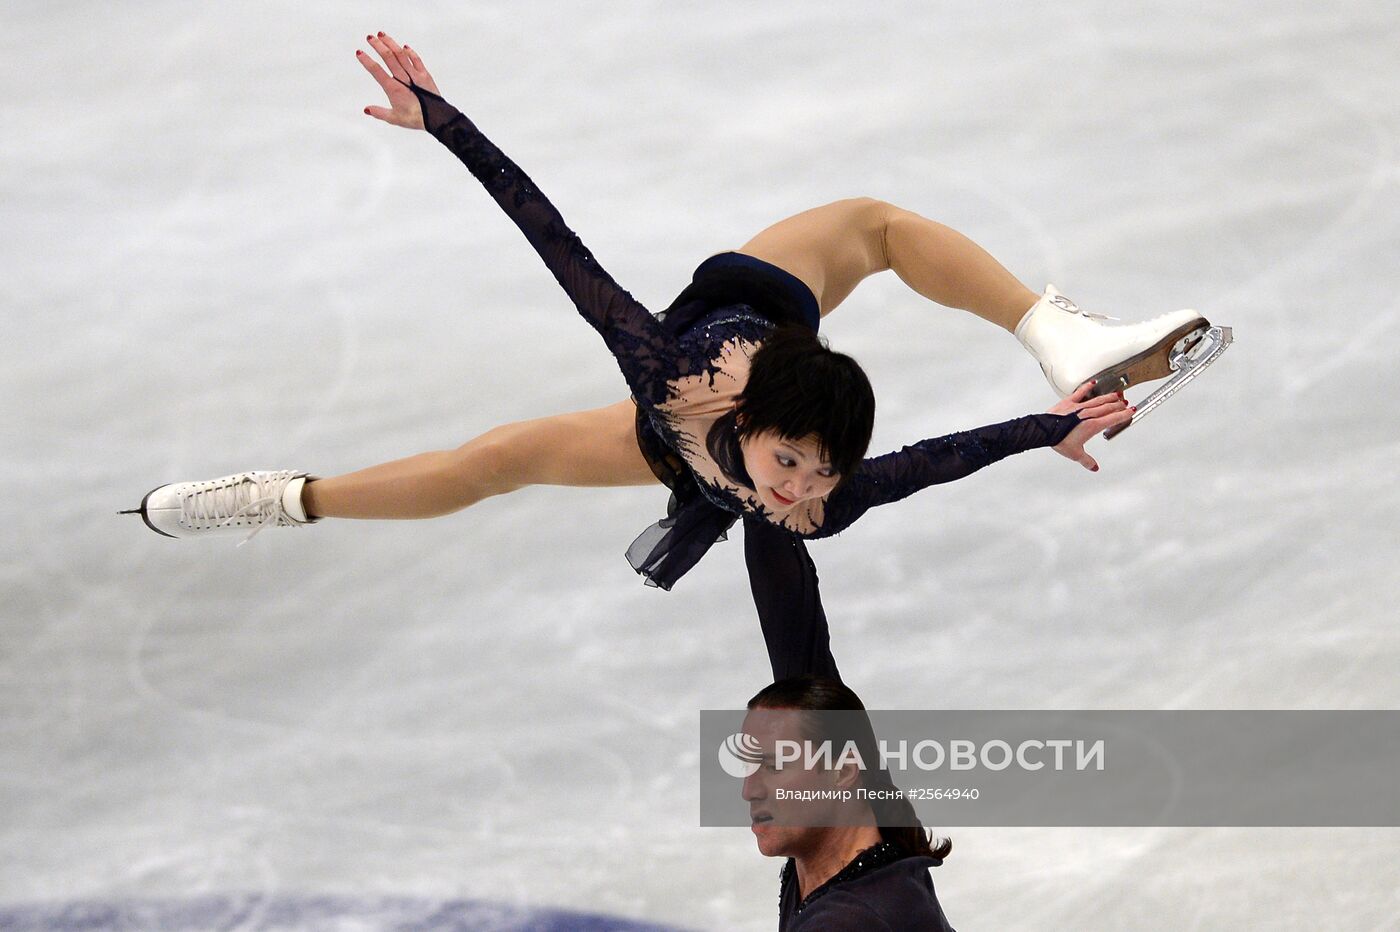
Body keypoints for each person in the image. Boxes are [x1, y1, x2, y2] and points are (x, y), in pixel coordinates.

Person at [126, 33, 1217, 595]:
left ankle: (1052, 336)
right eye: (793, 468)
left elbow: (928, 458)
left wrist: (1052, 427)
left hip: (712, 439)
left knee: (496, 460)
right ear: (759, 432)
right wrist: (445, 121)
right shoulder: (667, 372)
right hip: (750, 303)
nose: (797, 494)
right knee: (871, 227)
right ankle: (278, 497)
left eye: (815, 477)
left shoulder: (818, 500)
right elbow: (554, 239)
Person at [743, 676, 956, 930]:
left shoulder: (849, 920)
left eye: (774, 766)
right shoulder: (877, 821)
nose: (749, 790)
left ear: (843, 771)